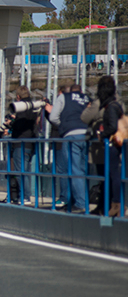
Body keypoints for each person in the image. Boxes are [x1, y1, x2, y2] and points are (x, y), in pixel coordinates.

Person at [49, 83, 90, 213]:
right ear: (81, 91)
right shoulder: (87, 98)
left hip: (71, 135)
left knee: (74, 170)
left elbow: (53, 117)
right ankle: (82, 200)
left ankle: (80, 203)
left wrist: (64, 126)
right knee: (83, 170)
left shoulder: (64, 97)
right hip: (87, 135)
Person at [4, 86, 40, 204]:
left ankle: (25, 197)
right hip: (31, 143)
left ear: (18, 97)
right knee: (26, 172)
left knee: (20, 172)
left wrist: (11, 123)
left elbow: (20, 126)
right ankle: (26, 196)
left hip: (20, 143)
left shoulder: (20, 107)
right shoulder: (34, 106)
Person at [95, 76, 124, 217]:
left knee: (113, 174)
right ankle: (117, 203)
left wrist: (102, 134)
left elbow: (112, 126)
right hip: (116, 143)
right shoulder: (116, 105)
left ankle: (116, 204)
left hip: (112, 144)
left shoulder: (111, 107)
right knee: (114, 174)